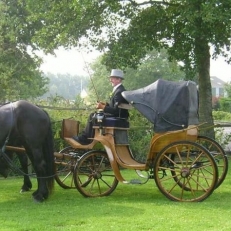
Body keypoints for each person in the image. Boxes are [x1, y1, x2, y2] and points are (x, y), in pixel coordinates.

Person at [72, 69, 129, 145]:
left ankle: (85, 139)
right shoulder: (119, 90)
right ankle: (88, 138)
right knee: (94, 115)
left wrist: (103, 107)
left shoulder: (119, 91)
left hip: (118, 118)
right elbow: (115, 107)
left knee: (93, 116)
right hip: (117, 117)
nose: (110, 80)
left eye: (112, 78)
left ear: (118, 79)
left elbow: (116, 111)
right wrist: (105, 105)